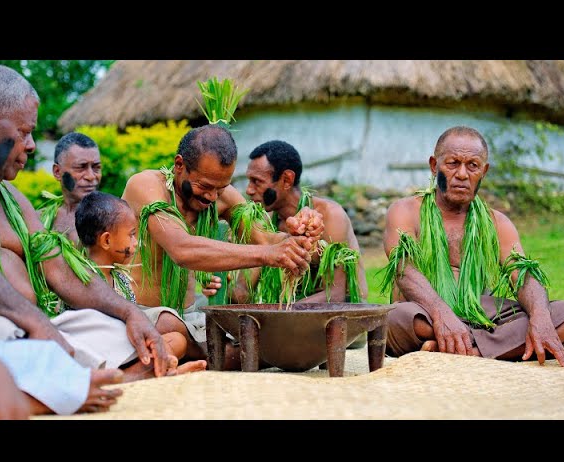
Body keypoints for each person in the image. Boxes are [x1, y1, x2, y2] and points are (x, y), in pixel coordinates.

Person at [0, 64, 175, 380]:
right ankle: (97, 379)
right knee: (2, 334)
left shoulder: (12, 198)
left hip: (33, 323)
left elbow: (59, 269)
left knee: (116, 328)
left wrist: (130, 312)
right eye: (25, 132)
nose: (30, 145)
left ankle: (101, 375)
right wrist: (36, 323)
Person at [380, 125, 564, 366]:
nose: (462, 174)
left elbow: (523, 275)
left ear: (484, 171)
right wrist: (441, 313)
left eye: (472, 166)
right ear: (434, 165)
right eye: (452, 163)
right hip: (424, 313)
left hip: (481, 314)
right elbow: (405, 270)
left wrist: (540, 316)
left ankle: (465, 350)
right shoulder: (405, 211)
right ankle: (496, 346)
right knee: (395, 317)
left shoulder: (496, 222)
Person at [122, 124, 323, 369]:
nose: (212, 197)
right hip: (144, 313)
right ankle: (221, 354)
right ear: (179, 165)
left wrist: (298, 236)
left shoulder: (221, 195)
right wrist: (269, 253)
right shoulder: (145, 186)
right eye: (204, 186)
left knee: (252, 328)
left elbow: (267, 240)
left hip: (192, 317)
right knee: (168, 326)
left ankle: (211, 353)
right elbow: (180, 249)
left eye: (221, 188)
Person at [75, 190, 206, 374]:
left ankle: (161, 364)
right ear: (106, 240)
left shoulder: (120, 278)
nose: (136, 243)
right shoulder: (84, 278)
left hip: (128, 346)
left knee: (177, 340)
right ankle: (159, 369)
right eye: (131, 235)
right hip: (100, 350)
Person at [233, 139, 368, 306]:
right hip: (293, 313)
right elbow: (243, 290)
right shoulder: (267, 225)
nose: (249, 190)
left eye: (257, 181)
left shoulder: (329, 216)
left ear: (287, 179)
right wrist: (219, 283)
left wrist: (281, 313)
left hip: (343, 314)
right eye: (249, 181)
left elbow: (336, 294)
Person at [39, 132, 102, 243]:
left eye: (96, 168)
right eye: (80, 167)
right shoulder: (40, 220)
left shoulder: (112, 218)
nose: (91, 176)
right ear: (57, 172)